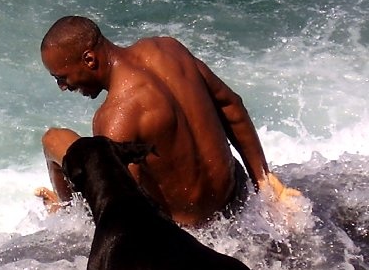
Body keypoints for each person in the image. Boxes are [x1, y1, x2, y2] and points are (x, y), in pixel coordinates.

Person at [35, 16, 300, 226]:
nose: (62, 86)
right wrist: (264, 181)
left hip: (190, 231)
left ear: (89, 59)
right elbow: (231, 105)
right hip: (234, 197)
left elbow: (124, 210)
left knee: (53, 139)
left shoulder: (116, 116)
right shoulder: (168, 49)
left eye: (62, 77)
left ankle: (69, 213)